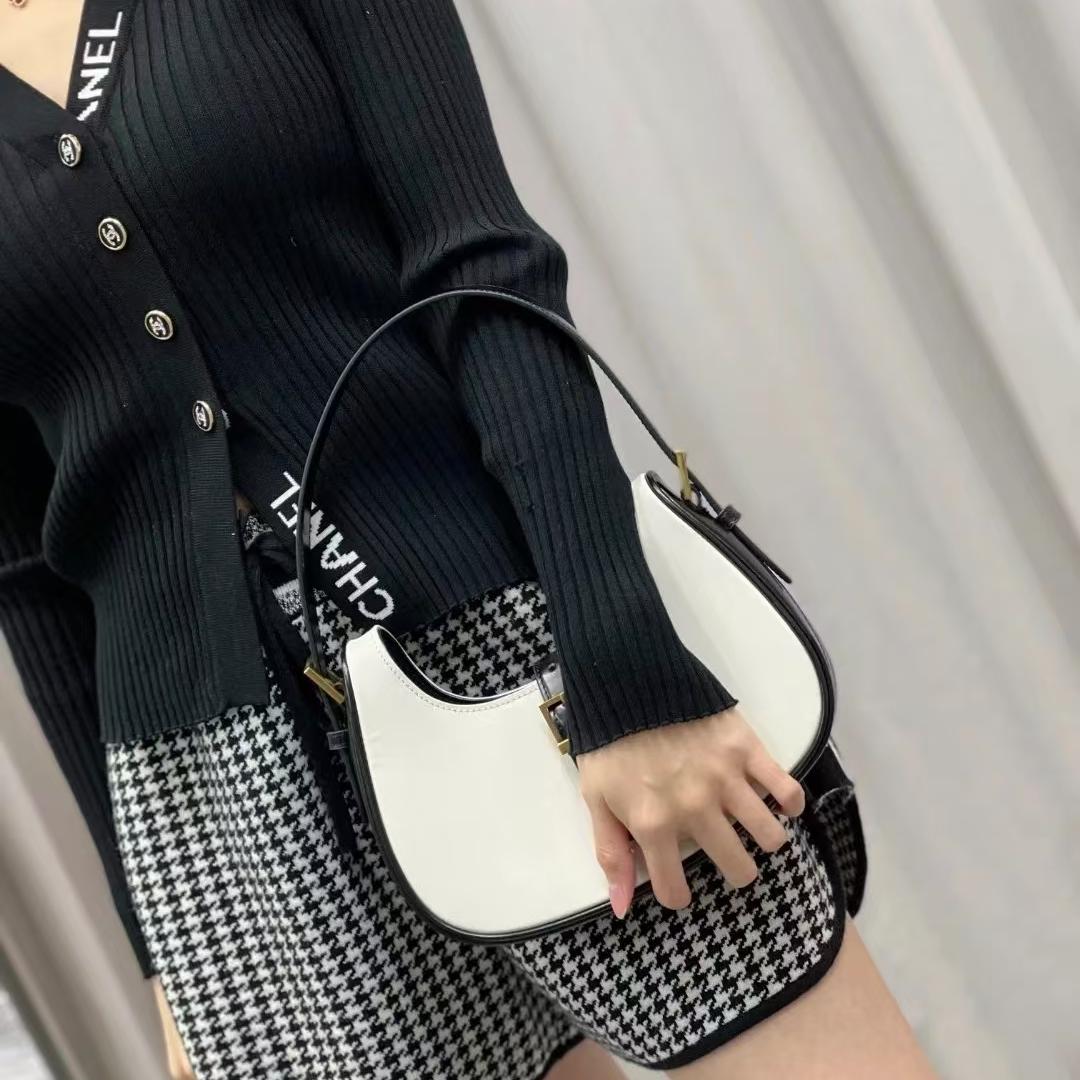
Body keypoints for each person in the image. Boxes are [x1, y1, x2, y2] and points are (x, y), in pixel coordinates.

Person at [0, 1, 936, 1077]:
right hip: (232, 799)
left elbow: (480, 263)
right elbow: (26, 568)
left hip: (524, 649)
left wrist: (622, 663)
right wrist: (165, 951)